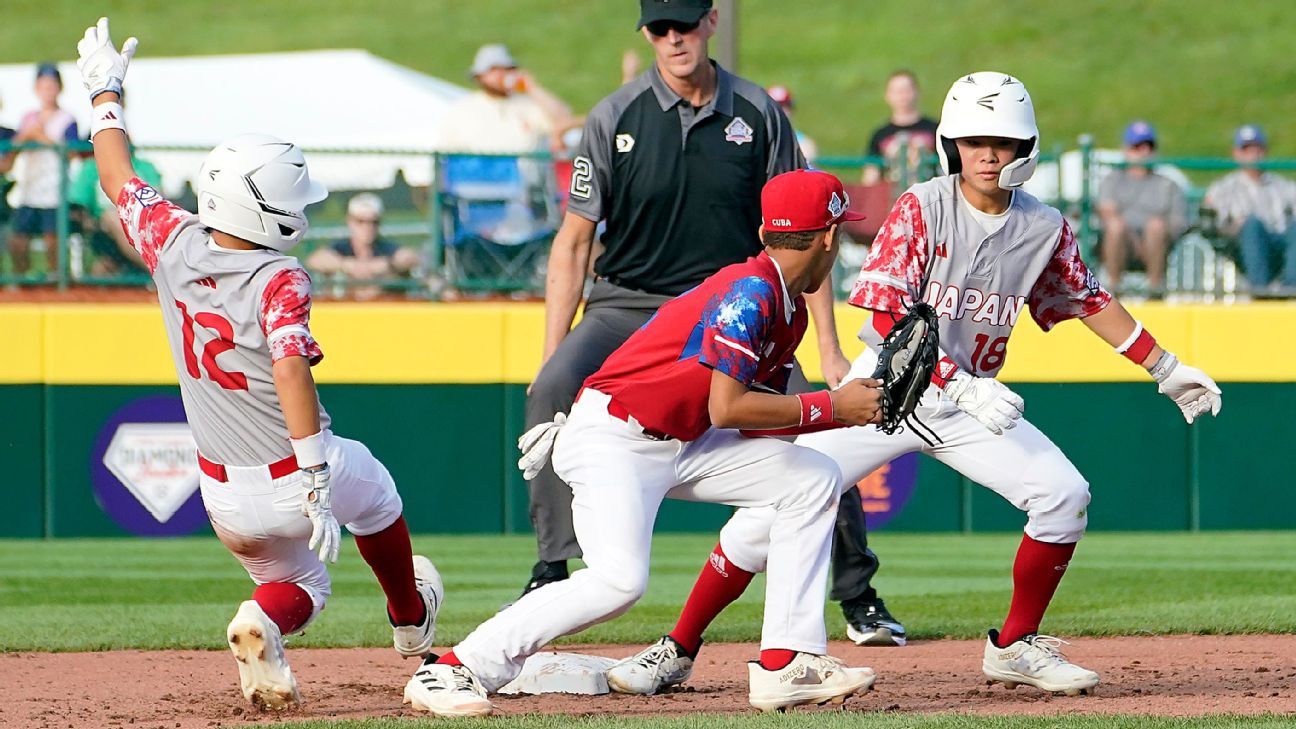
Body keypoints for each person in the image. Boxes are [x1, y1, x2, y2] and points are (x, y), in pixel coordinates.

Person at [608, 72, 1223, 699]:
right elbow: (882, 312)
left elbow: (1090, 300)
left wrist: (1165, 367)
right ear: (949, 143)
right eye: (973, 139)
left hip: (970, 407)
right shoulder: (922, 206)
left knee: (1064, 496)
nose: (987, 154)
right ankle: (677, 648)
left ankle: (1015, 646)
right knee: (758, 523)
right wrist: (955, 382)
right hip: (883, 394)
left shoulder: (1044, 228)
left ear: (1027, 148)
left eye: (1002, 142)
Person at [403, 169, 882, 716]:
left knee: (812, 478)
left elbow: (752, 421)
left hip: (685, 440)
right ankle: (454, 668)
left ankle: (785, 663)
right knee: (618, 581)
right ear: (827, 237)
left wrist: (851, 414)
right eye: (840, 232)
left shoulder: (785, 302)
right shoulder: (750, 293)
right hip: (615, 437)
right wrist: (832, 405)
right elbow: (728, 407)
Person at [77, 18, 443, 710]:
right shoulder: (279, 278)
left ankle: (262, 620)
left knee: (300, 584)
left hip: (219, 488)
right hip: (292, 469)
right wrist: (313, 471)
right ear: (270, 207)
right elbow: (288, 368)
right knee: (381, 496)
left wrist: (105, 92)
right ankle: (407, 617)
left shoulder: (172, 239)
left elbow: (115, 174)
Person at [520, 0, 897, 648]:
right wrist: (553, 352)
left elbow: (810, 235)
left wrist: (832, 348)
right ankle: (553, 565)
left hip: (733, 306)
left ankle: (857, 590)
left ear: (711, 23)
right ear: (646, 33)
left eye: (685, 23)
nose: (674, 38)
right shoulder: (615, 115)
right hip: (629, 303)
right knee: (551, 386)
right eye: (660, 27)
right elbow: (574, 241)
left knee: (820, 418)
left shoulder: (757, 112)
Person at [67, 92, 160, 277]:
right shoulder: (91, 168)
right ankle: (159, 271)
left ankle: (155, 269)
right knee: (113, 217)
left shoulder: (144, 167)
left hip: (143, 221)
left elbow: (158, 199)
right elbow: (77, 207)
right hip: (107, 227)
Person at [1203, 124, 1296, 296]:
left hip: (1279, 242)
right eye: (1246, 149)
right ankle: (1259, 292)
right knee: (1252, 226)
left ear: (1264, 152)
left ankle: (1291, 290)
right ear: (1236, 153)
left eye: (1257, 149)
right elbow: (1211, 226)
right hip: (1242, 246)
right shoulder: (1223, 189)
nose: (1253, 155)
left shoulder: (1284, 186)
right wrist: (1236, 227)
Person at [8, 63, 80, 279]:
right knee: (18, 241)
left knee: (53, 241)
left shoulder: (67, 119)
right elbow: (14, 150)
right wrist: (26, 136)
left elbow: (72, 154)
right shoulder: (28, 118)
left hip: (54, 192)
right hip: (29, 190)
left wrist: (41, 138)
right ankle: (22, 281)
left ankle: (56, 281)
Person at [436, 43, 576, 155]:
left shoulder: (528, 105)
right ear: (480, 76)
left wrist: (532, 88)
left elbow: (562, 119)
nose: (501, 75)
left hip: (525, 186)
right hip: (477, 183)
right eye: (494, 70)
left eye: (506, 69)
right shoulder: (463, 109)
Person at [1097, 121, 1187, 294]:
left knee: (1156, 227)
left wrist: (1155, 234)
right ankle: (1114, 290)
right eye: (1137, 146)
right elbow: (1105, 213)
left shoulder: (1168, 185)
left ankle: (1155, 290)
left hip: (1159, 245)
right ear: (1126, 150)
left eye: (1149, 146)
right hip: (1123, 241)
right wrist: (1136, 240)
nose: (1144, 151)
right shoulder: (1112, 181)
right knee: (1116, 226)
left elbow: (1178, 223)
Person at [306, 193, 421, 298]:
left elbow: (410, 257)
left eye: (373, 222)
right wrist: (347, 265)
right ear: (350, 221)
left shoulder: (386, 248)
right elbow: (315, 260)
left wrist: (387, 265)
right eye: (361, 221)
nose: (367, 227)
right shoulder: (341, 248)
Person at [861, 70, 938, 187]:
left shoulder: (936, 129)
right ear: (887, 95)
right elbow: (871, 175)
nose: (903, 96)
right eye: (897, 91)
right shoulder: (880, 134)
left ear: (917, 91)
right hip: (892, 199)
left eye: (906, 90)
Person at [767, 84, 817, 163]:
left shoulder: (805, 144)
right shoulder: (756, 139)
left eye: (784, 106)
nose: (780, 111)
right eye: (774, 106)